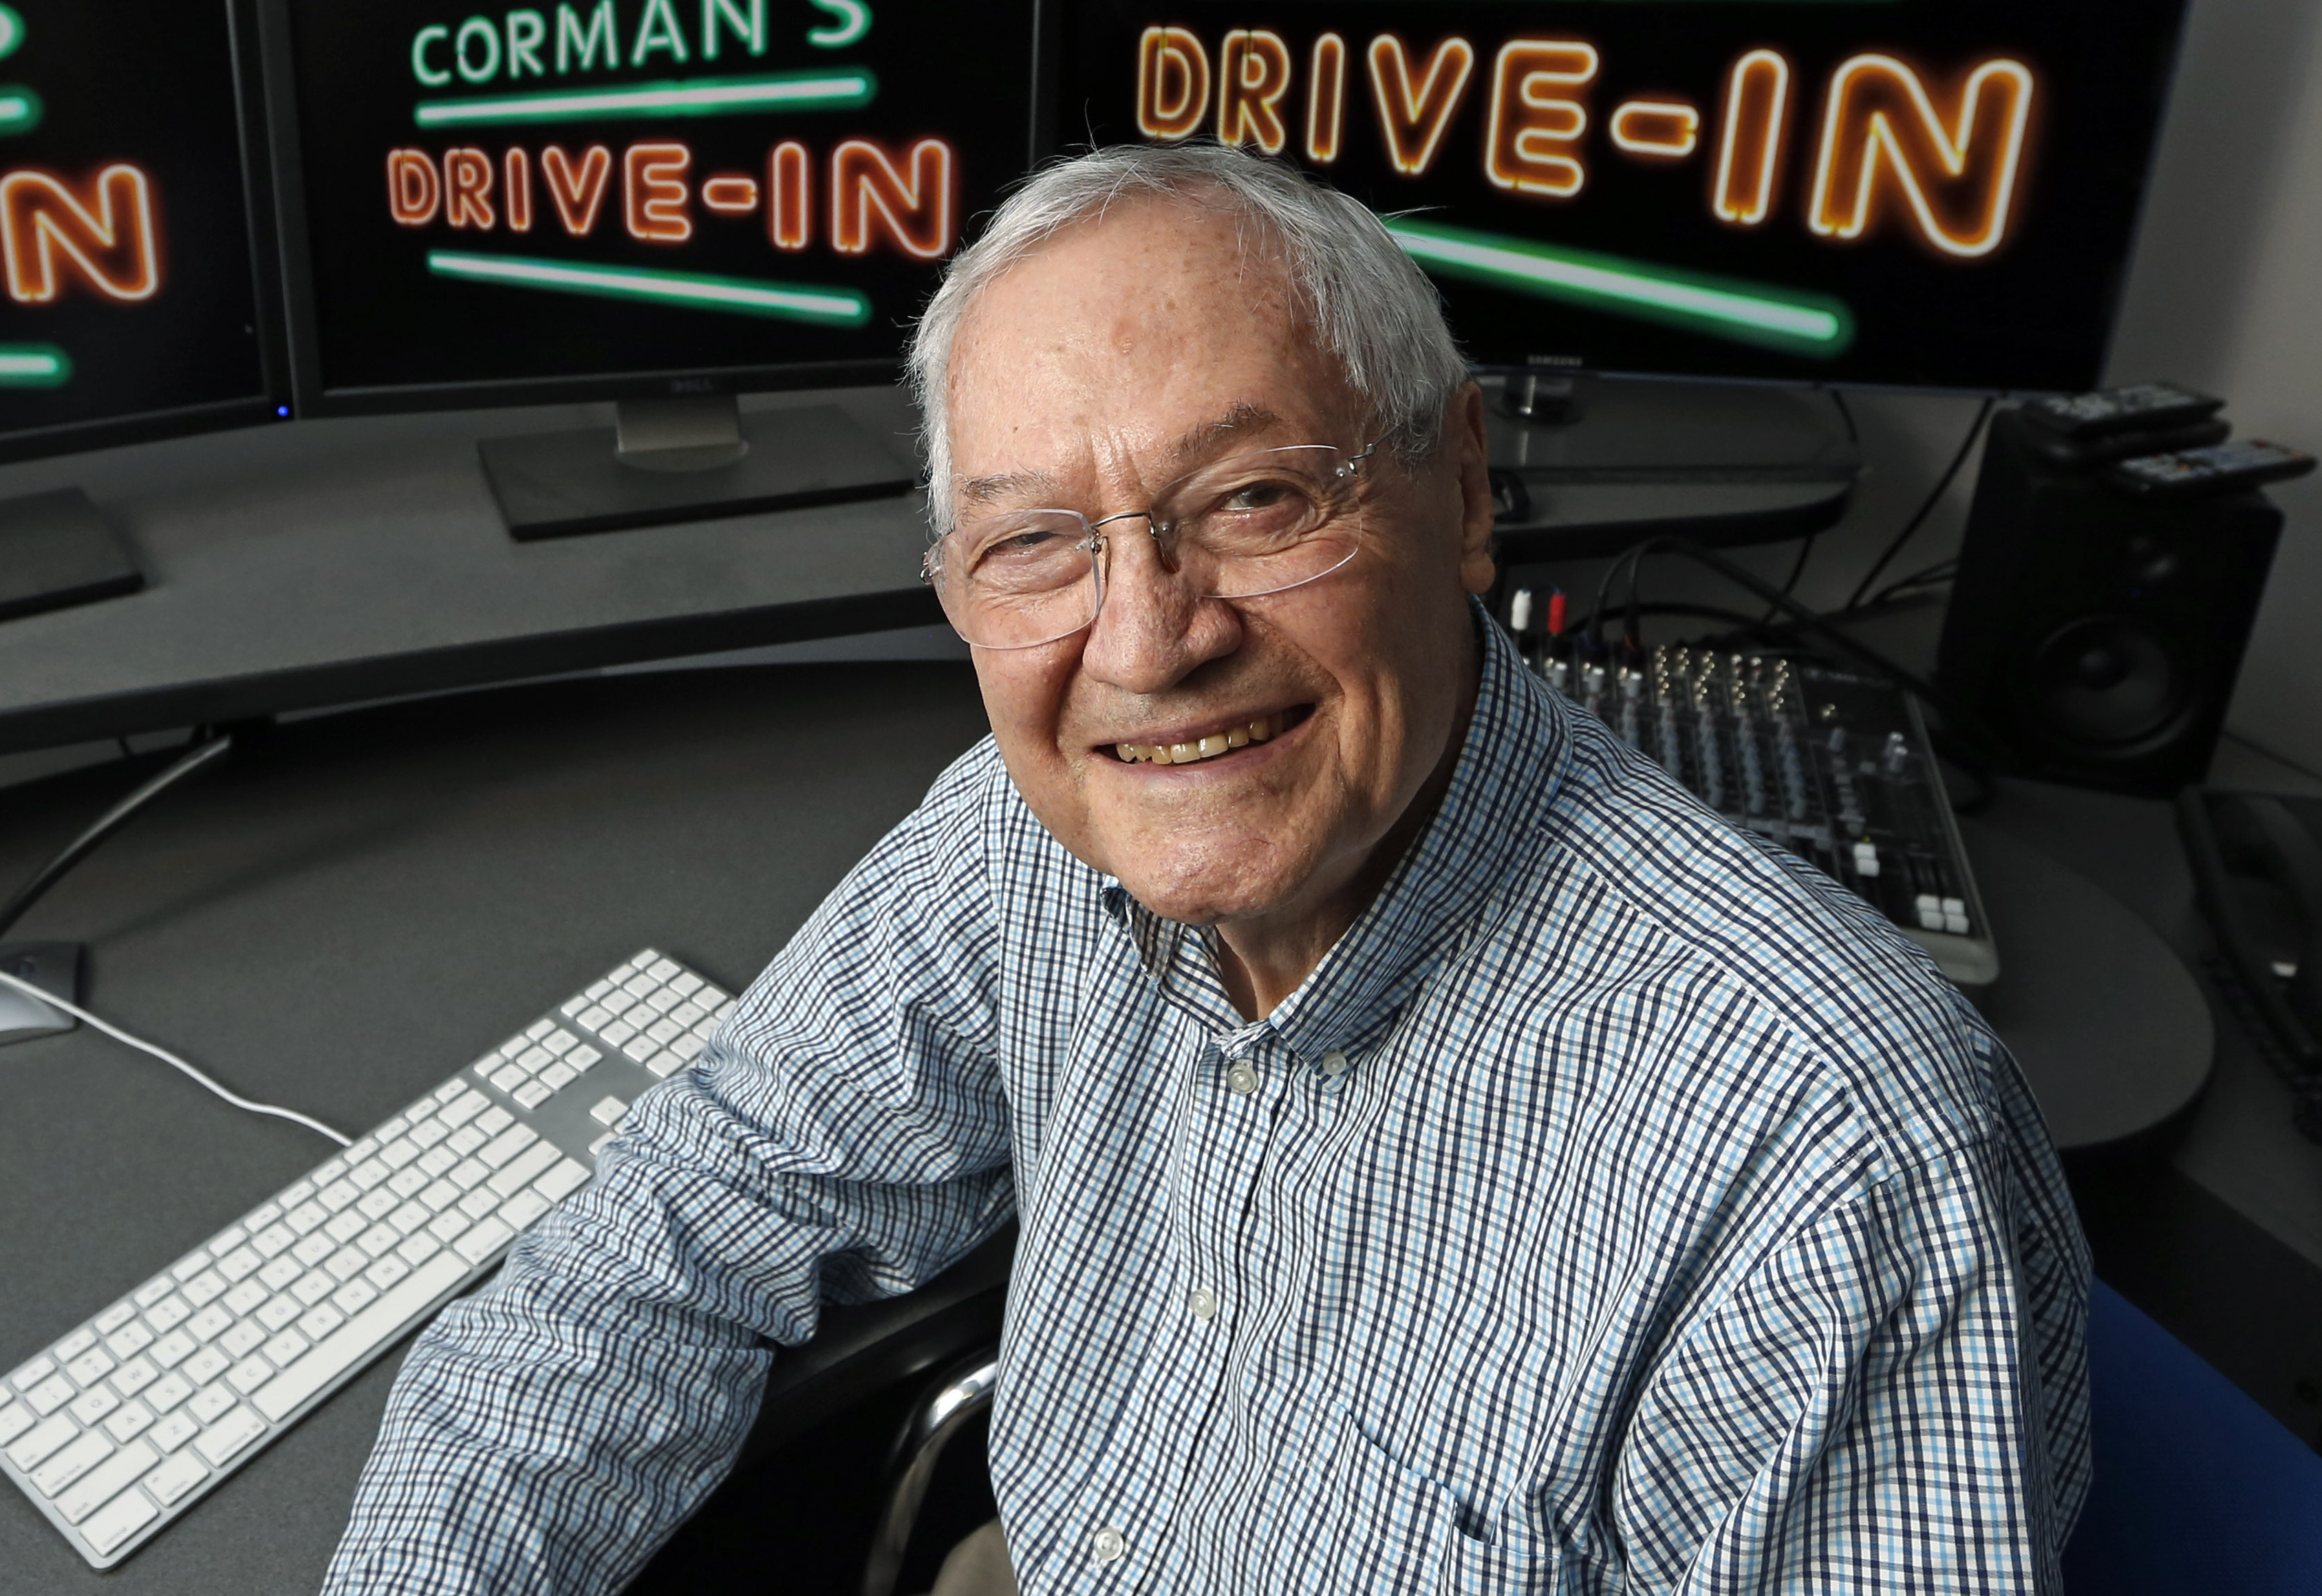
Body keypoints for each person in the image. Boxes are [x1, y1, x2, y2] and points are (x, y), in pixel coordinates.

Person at [321, 144, 2090, 1594]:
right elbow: (661, 1247)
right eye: (1034, 541)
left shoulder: (1830, 1151)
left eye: (1252, 498)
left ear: (1462, 487)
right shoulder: (1017, 839)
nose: (1147, 641)